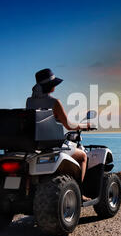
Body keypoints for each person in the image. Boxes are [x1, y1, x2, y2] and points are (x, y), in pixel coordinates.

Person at [26, 68, 92, 201]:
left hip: (34, 145)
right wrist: (86, 125)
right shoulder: (55, 103)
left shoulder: (29, 101)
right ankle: (79, 193)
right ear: (50, 86)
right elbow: (69, 125)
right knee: (83, 156)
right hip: (51, 146)